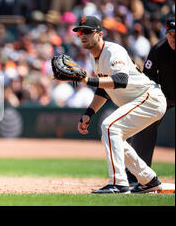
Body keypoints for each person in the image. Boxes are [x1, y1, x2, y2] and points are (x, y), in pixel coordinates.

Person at [74, 16, 167, 194]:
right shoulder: (94, 58)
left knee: (109, 127)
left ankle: (118, 183)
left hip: (149, 97)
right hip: (141, 100)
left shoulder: (113, 50)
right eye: (80, 32)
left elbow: (120, 80)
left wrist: (87, 80)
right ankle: (149, 180)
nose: (82, 35)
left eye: (87, 31)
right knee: (110, 135)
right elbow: (104, 90)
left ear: (100, 34)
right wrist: (89, 113)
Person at [126, 19, 175, 186]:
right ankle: (137, 175)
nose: (173, 38)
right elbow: (149, 76)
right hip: (164, 95)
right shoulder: (158, 49)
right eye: (171, 35)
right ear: (166, 35)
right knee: (145, 124)